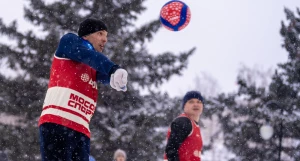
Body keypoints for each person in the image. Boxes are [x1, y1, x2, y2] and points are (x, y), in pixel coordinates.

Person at [38, 18, 128, 161]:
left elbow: (100, 70)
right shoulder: (70, 42)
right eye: (100, 34)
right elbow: (90, 56)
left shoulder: (91, 65)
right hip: (58, 124)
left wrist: (114, 79)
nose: (105, 39)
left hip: (81, 131)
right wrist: (112, 68)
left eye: (106, 36)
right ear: (86, 35)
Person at [164, 91, 204, 161]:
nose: (196, 104)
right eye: (191, 102)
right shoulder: (183, 122)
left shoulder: (194, 125)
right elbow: (171, 150)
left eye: (199, 102)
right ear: (184, 106)